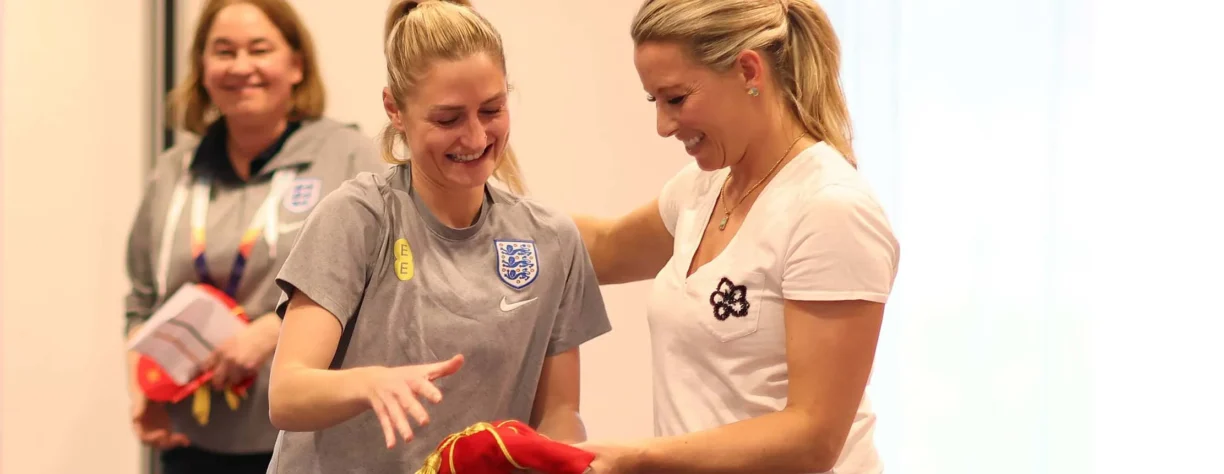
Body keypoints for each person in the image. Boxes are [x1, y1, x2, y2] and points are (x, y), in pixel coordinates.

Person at [262, 1, 612, 473]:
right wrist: (371, 384)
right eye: (448, 119)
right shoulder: (360, 217)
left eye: (492, 109)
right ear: (395, 110)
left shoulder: (551, 239)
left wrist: (565, 458)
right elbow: (287, 395)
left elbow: (558, 412)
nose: (474, 137)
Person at [571, 0, 900, 473]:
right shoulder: (701, 187)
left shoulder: (830, 209)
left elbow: (813, 436)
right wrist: (469, 195)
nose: (663, 126)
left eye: (676, 99)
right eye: (655, 101)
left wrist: (639, 456)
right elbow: (600, 250)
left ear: (748, 70)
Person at [122, 0, 388, 472]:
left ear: (296, 64)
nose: (241, 66)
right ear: (202, 69)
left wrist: (274, 329)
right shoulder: (173, 172)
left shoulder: (349, 158)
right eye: (223, 51)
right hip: (190, 443)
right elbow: (141, 300)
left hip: (309, 441)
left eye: (259, 49)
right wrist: (144, 383)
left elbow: (382, 288)